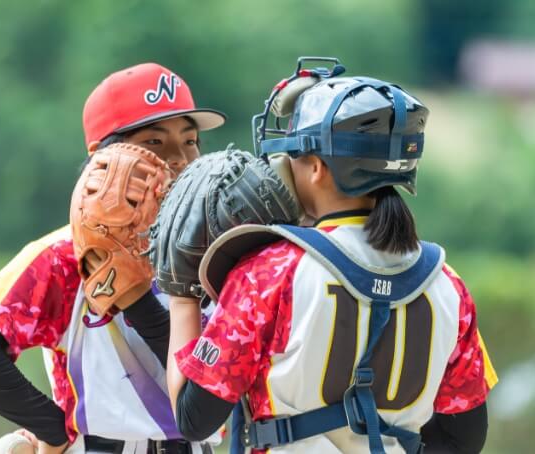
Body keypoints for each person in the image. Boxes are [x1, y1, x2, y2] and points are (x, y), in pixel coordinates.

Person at [165, 62, 498, 453]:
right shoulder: (448, 283)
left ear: (318, 168)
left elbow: (193, 417)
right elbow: (465, 437)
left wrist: (181, 297)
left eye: (293, 153)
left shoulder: (268, 272)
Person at [0, 62, 226, 454]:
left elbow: (209, 390)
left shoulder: (217, 252)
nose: (178, 157)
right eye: (154, 142)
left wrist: (139, 302)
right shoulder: (64, 254)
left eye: (190, 141)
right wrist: (54, 429)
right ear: (100, 157)